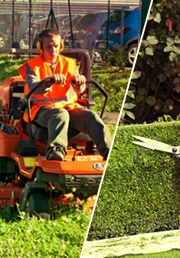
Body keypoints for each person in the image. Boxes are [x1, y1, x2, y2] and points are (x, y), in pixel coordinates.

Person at [19, 28, 112, 161]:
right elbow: (34, 87)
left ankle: (109, 152)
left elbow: (78, 90)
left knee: (91, 116)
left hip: (69, 107)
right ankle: (55, 152)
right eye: (49, 47)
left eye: (56, 46)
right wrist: (49, 81)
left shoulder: (69, 63)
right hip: (41, 109)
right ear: (41, 47)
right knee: (60, 115)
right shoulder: (32, 66)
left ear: (61, 46)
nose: (53, 51)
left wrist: (79, 83)